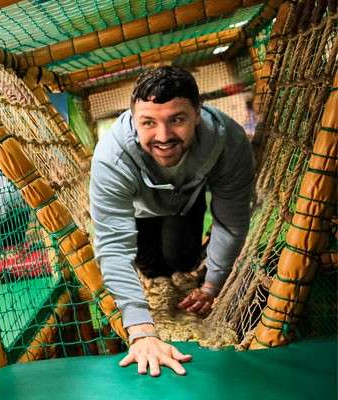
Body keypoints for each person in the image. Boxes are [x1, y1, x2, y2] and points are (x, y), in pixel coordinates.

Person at [89, 66, 254, 377]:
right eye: (148, 123)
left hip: (187, 202)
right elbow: (112, 246)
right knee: (151, 268)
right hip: (139, 210)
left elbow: (231, 221)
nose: (163, 137)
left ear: (197, 113)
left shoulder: (228, 140)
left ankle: (191, 260)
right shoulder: (111, 157)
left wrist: (211, 285)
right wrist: (141, 331)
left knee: (181, 260)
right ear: (133, 118)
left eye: (177, 119)